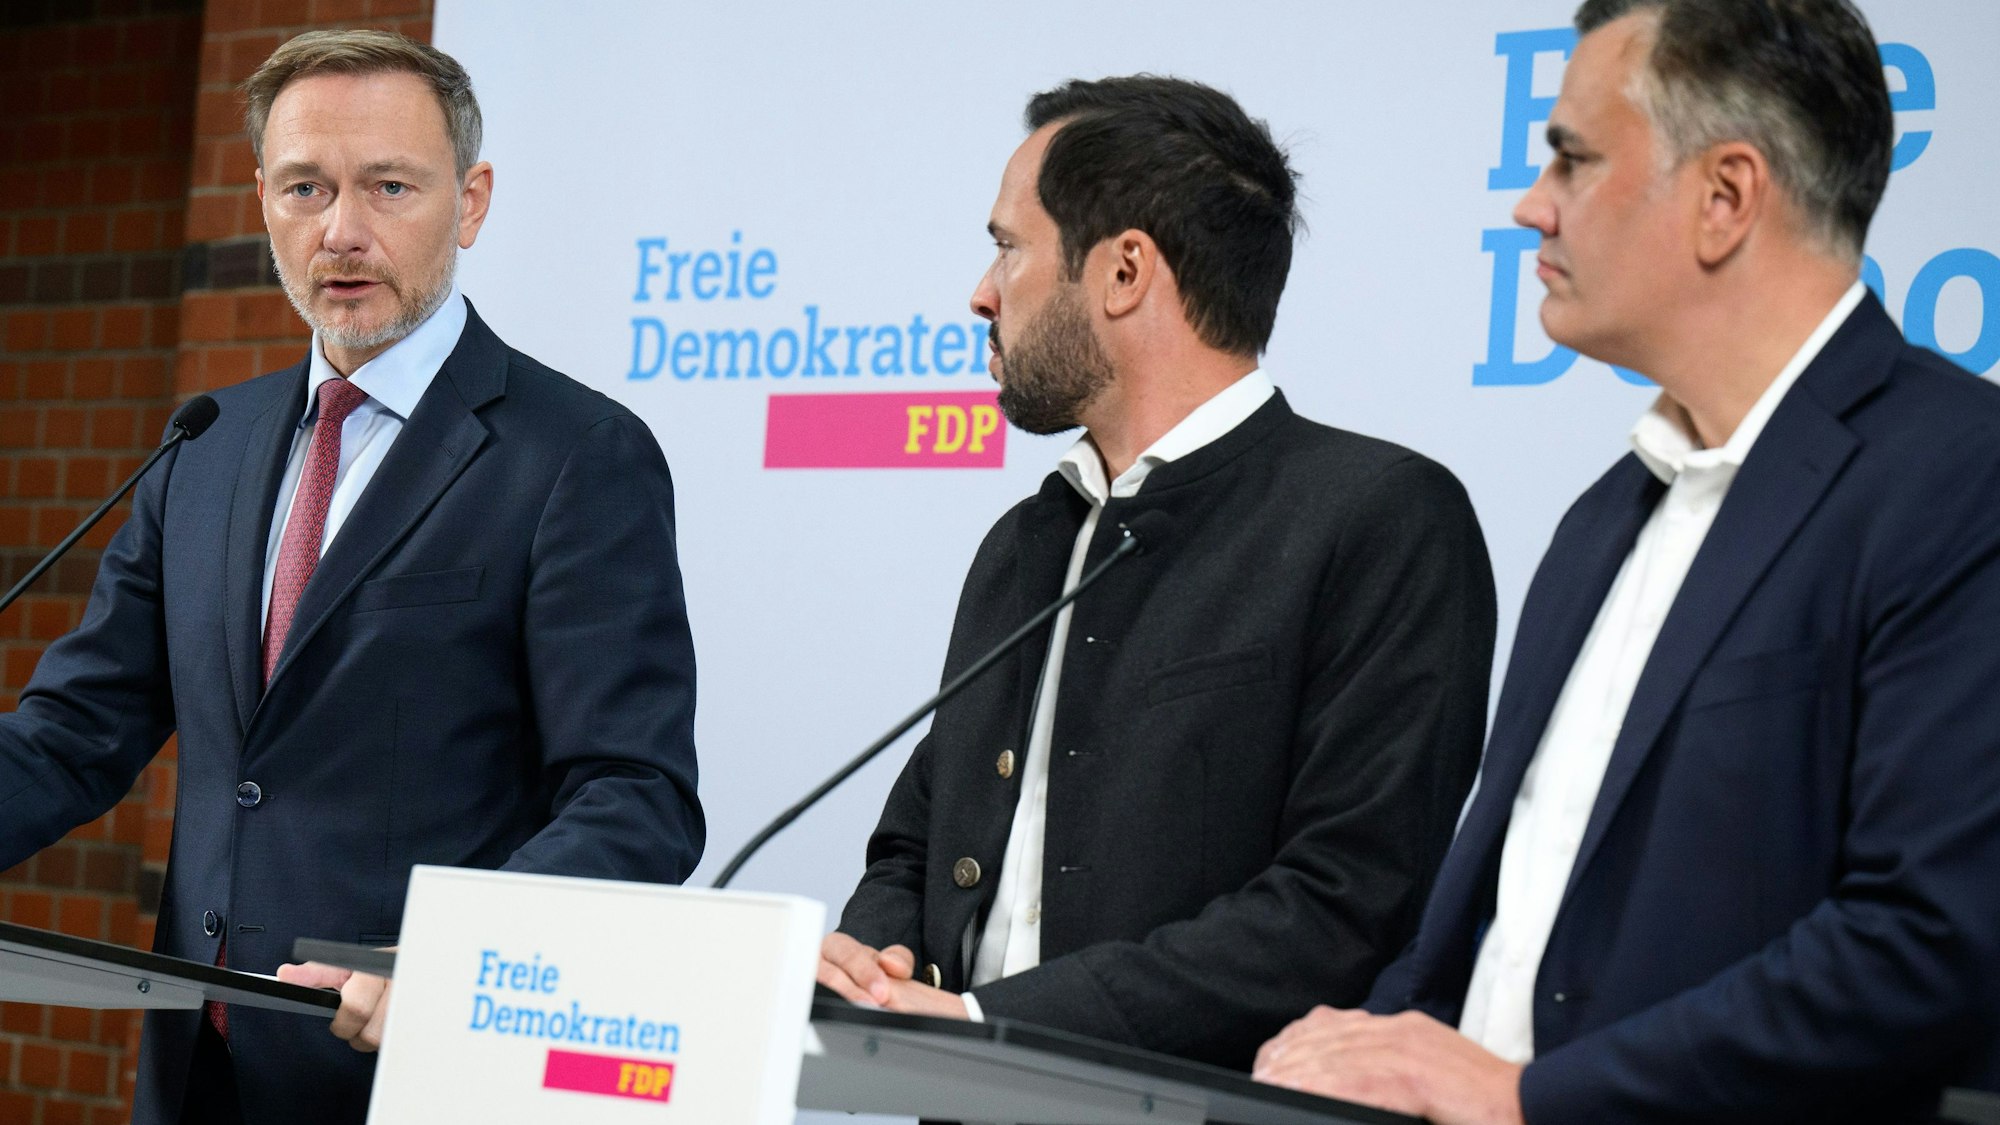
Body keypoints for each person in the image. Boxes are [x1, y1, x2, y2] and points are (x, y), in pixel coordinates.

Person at [1252, 2, 2000, 1121]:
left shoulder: (1956, 476)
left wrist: (1537, 1098)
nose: (1528, 205)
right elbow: (1490, 923)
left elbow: (1927, 942)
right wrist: (1357, 1063)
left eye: (1569, 158)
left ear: (1723, 198)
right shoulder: (1601, 519)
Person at [0, 30, 704, 1125]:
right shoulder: (204, 446)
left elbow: (634, 797)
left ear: (468, 203)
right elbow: (72, 729)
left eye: (387, 186)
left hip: (418, 1076)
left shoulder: (574, 455)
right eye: (305, 188)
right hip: (198, 1075)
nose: (341, 231)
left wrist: (453, 958)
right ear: (262, 201)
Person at [817, 75, 1496, 1069]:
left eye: (1008, 247)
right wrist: (873, 965)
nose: (978, 290)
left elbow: (1342, 907)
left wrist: (984, 1026)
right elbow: (921, 841)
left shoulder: (1378, 517)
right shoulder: (1025, 540)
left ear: (1123, 270)